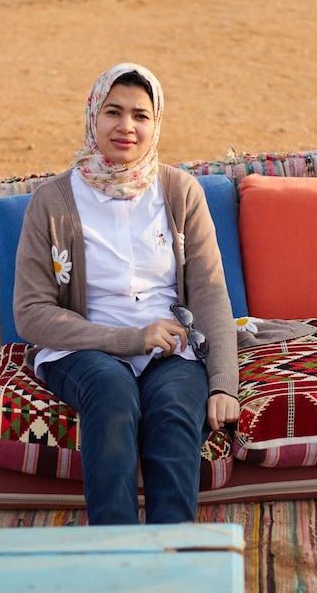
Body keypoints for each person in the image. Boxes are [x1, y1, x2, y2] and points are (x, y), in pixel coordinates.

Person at [14, 62, 240, 525]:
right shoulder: (53, 202)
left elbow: (211, 295)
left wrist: (222, 384)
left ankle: (170, 561)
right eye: (113, 112)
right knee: (114, 397)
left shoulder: (180, 192)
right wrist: (131, 339)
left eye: (141, 115)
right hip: (85, 348)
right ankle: (113, 559)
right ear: (93, 115)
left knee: (177, 415)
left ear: (156, 122)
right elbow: (32, 313)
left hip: (172, 348)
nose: (126, 127)